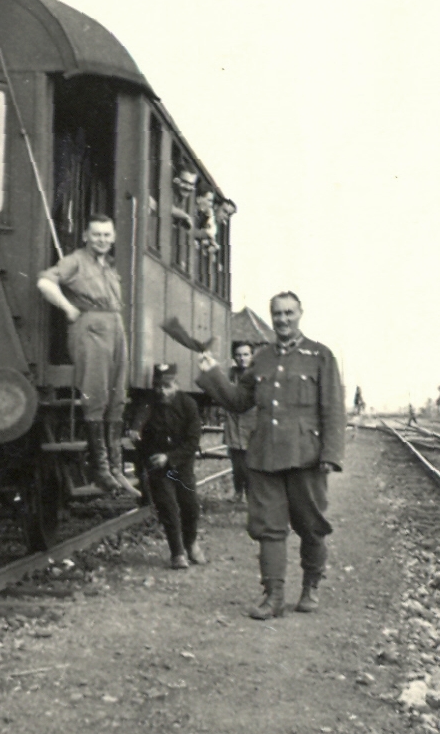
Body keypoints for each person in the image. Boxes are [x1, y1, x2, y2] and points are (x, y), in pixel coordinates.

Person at [197, 292, 345, 619]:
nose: (282, 320)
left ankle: (310, 587)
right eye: (277, 314)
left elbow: (333, 408)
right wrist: (212, 375)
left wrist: (331, 455)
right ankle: (274, 596)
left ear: (300, 314)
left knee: (311, 526)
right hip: (264, 455)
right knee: (268, 527)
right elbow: (238, 401)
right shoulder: (261, 359)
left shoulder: (320, 356)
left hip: (307, 455)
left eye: (289, 313)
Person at [36, 216, 137, 495]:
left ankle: (116, 468)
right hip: (91, 328)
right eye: (96, 235)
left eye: (106, 235)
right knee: (96, 395)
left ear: (113, 237)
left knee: (117, 396)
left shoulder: (109, 265)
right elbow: (45, 283)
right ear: (85, 236)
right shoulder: (75, 260)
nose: (101, 239)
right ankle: (101, 469)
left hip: (114, 328)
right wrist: (68, 309)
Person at [135, 363, 203, 569]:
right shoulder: (148, 405)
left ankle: (190, 543)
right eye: (157, 386)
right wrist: (143, 447)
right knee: (168, 507)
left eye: (166, 386)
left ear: (176, 385)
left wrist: (170, 457)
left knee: (190, 506)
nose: (161, 391)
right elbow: (138, 428)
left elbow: (193, 442)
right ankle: (177, 553)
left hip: (180, 467)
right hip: (159, 468)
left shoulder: (188, 405)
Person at [224, 341, 259, 500]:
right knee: (236, 461)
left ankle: (253, 494)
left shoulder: (258, 374)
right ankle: (238, 492)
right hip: (233, 420)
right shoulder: (230, 374)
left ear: (251, 356)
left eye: (245, 354)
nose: (242, 358)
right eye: (238, 355)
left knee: (251, 462)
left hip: (252, 421)